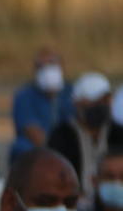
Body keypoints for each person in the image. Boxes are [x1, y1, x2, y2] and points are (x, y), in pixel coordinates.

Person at [47, 72, 121, 201]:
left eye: (105, 100)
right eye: (95, 101)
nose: (101, 105)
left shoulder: (118, 133)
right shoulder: (62, 135)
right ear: (78, 104)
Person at [10, 47, 73, 163]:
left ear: (62, 66)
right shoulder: (24, 95)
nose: (48, 70)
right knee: (21, 147)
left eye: (52, 64)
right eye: (41, 66)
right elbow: (31, 131)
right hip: (39, 149)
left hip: (66, 146)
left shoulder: (72, 93)